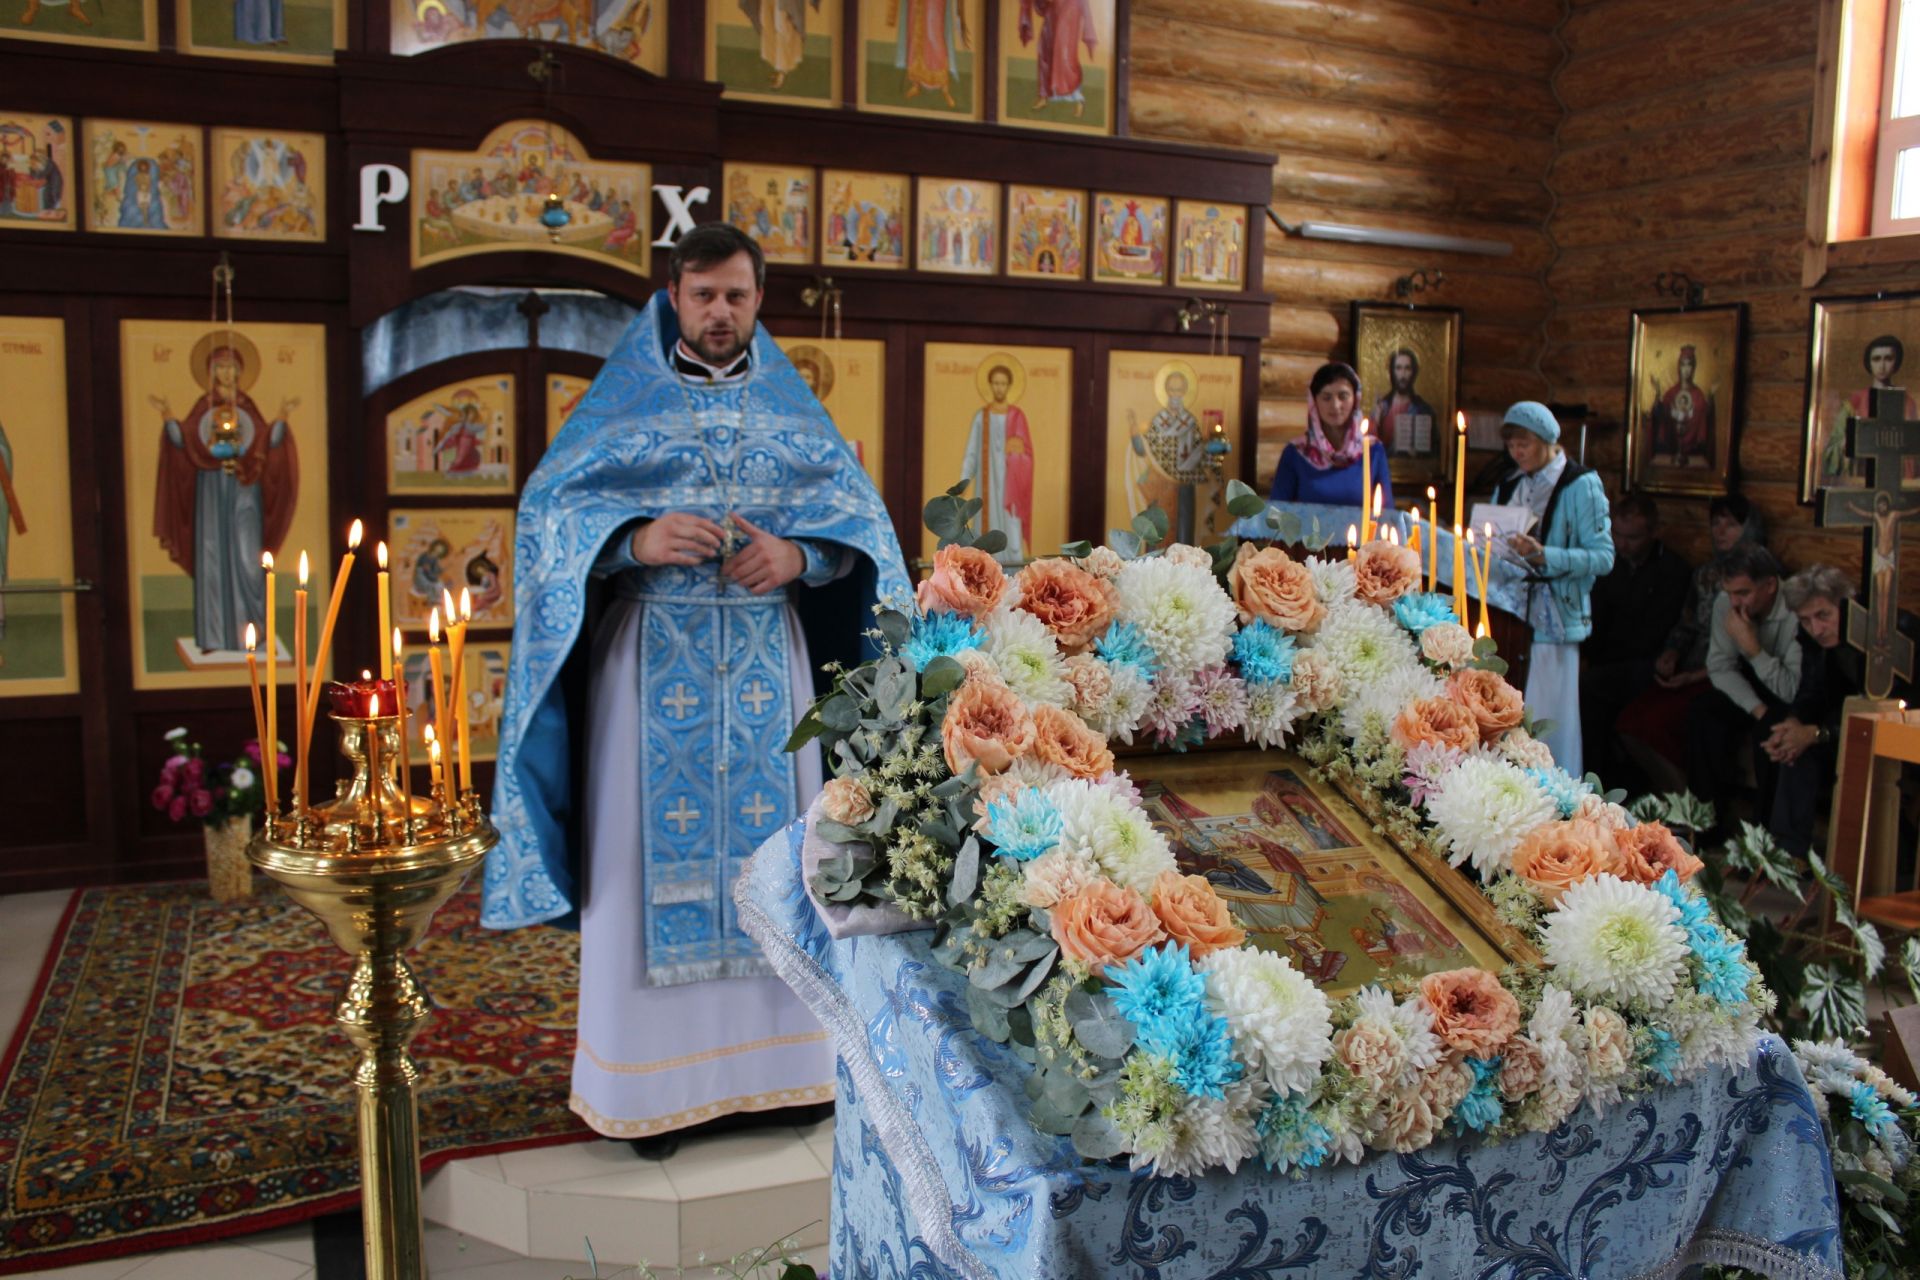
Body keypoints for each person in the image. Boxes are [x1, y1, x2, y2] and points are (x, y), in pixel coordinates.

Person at [486, 224, 911, 1151]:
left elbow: (867, 535)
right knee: (641, 868)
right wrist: (631, 540)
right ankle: (647, 1092)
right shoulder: (621, 403)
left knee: (785, 868)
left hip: (769, 671)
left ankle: (791, 1074)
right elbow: (547, 518)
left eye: (738, 296)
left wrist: (800, 554)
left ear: (760, 301)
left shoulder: (795, 411)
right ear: (672, 296)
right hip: (652, 670)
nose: (720, 312)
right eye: (704, 295)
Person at [150, 342, 299, 654]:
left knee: (248, 558)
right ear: (210, 372)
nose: (226, 373)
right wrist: (167, 415)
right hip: (210, 490)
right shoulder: (203, 407)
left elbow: (267, 441)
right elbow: (185, 441)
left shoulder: (247, 407)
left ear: (241, 372)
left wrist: (282, 417)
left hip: (246, 490)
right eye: (220, 367)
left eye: (232, 367)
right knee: (213, 559)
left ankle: (254, 634)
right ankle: (215, 637)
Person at [1490, 401, 1613, 776]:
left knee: (1548, 716)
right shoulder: (1510, 483)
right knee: (1511, 712)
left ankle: (1552, 788)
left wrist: (1545, 556)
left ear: (1546, 440)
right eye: (1512, 445)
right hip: (1509, 615)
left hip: (1554, 617)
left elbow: (1603, 557)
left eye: (1524, 443)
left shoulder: (1580, 484)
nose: (1518, 452)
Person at [1614, 492, 1766, 781]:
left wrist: (1694, 675)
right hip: (1691, 667)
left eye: (1730, 524)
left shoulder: (1761, 578)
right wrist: (1671, 653)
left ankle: (1697, 805)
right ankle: (1673, 797)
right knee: (1631, 717)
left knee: (1677, 720)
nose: (1720, 531)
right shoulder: (1706, 575)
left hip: (1726, 675)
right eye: (1715, 523)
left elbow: (1747, 649)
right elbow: (1687, 624)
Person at [1683, 544, 1801, 835]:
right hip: (1751, 688)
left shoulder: (1796, 609)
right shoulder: (1727, 601)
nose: (1735, 601)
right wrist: (1757, 708)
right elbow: (1720, 667)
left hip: (1790, 692)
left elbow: (1790, 690)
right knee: (1703, 713)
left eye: (1744, 593)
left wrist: (1752, 648)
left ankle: (1766, 838)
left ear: (1770, 585)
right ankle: (1706, 826)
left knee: (1771, 733)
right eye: (1730, 592)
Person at [1580, 491, 1691, 788]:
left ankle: (1601, 782)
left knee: (1590, 691)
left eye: (1633, 537)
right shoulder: (1607, 564)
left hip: (1648, 664)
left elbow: (1659, 631)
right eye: (1617, 534)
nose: (1623, 544)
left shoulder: (1673, 570)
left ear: (1654, 533)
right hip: (1605, 658)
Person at [1267, 362, 1394, 512]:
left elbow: (1386, 513)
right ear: (1314, 402)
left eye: (1343, 396)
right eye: (1326, 397)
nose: (1335, 405)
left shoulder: (1372, 451)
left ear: (1355, 399)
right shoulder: (1296, 453)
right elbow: (1276, 514)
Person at [959, 361, 1035, 564]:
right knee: (986, 527)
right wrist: (963, 483)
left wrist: (1017, 456)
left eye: (1003, 383)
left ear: (1009, 386)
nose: (999, 388)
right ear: (990, 385)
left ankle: (1014, 576)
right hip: (987, 486)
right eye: (995, 383)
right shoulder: (981, 417)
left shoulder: (1017, 417)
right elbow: (972, 454)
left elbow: (1029, 455)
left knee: (1011, 529)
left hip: (1012, 488)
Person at [1019, 0, 1097, 115]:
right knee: (1045, 48)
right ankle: (1044, 96)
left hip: (1070, 8)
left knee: (1064, 54)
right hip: (1052, 8)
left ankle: (1078, 100)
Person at [1648, 344, 1714, 468]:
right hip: (1669, 450)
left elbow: (1705, 419)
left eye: (1689, 365)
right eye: (1683, 364)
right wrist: (1657, 395)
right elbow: (1660, 417)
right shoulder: (1670, 394)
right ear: (1679, 367)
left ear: (1694, 368)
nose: (1686, 369)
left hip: (1694, 452)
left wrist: (1711, 400)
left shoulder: (1699, 395)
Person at [1371, 348, 1436, 456]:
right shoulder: (1381, 408)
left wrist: (1418, 454)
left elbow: (1434, 449)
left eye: (1407, 368)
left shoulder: (1424, 409)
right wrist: (1376, 423)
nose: (1403, 375)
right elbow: (1369, 448)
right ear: (1392, 372)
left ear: (1414, 372)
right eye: (1398, 368)